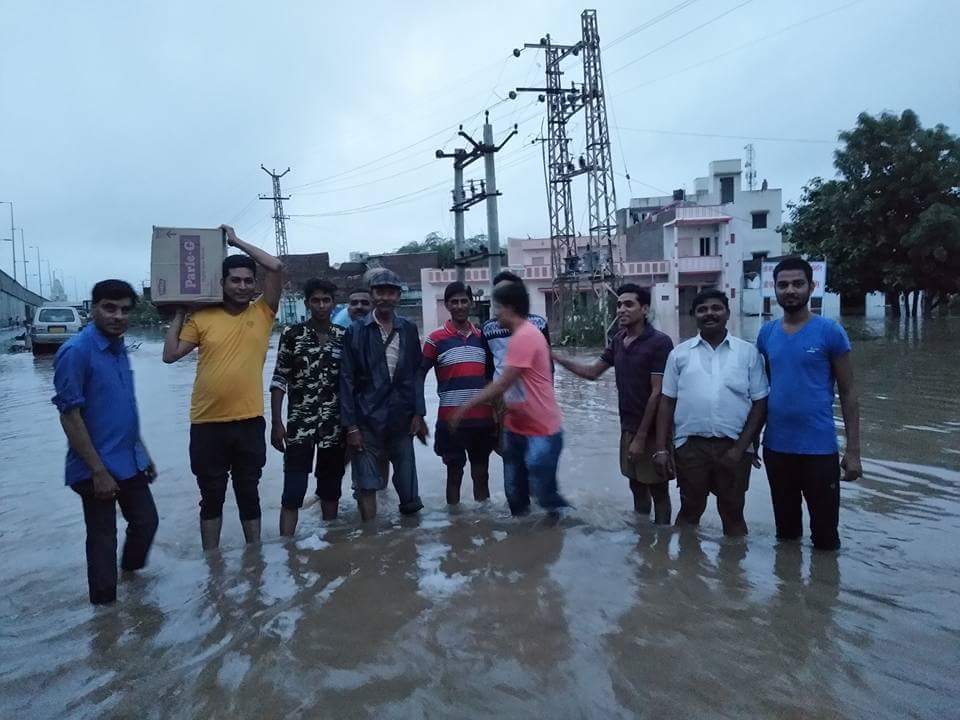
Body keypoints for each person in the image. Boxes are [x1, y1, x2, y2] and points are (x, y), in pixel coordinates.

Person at [162, 224, 282, 550]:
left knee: (248, 492)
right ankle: (211, 564)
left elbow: (275, 266)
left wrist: (236, 241)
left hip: (249, 421)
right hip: (207, 423)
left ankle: (254, 558)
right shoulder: (203, 318)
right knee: (211, 495)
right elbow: (170, 355)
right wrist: (180, 312)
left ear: (254, 285)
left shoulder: (264, 312)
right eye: (235, 280)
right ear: (223, 283)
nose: (242, 286)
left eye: (248, 281)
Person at [53, 280, 158, 605]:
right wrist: (98, 471)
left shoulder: (118, 347)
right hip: (94, 466)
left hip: (129, 460)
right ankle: (105, 616)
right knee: (103, 539)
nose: (118, 316)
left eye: (125, 310)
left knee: (146, 522)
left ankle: (132, 581)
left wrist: (143, 454)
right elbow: (70, 416)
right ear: (93, 309)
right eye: (109, 308)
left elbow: (122, 408)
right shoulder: (76, 352)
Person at [757, 257, 861, 551]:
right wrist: (750, 442)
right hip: (777, 448)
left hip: (819, 449)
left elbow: (849, 393)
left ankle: (825, 581)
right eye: (783, 285)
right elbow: (763, 391)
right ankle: (787, 580)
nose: (790, 290)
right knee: (786, 535)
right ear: (775, 289)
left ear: (811, 287)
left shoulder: (830, 331)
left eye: (797, 284)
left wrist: (854, 452)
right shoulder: (767, 334)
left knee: (826, 539)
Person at [552, 284, 675, 523]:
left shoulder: (659, 342)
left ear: (645, 309)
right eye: (618, 305)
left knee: (658, 490)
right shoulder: (619, 340)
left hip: (653, 431)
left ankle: (662, 541)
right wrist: (556, 358)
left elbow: (657, 393)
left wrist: (641, 438)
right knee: (636, 486)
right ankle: (643, 536)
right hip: (628, 427)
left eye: (628, 304)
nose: (621, 309)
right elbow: (592, 373)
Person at [654, 290, 768, 537]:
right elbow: (667, 402)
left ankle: (734, 562)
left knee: (733, 513)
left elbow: (760, 403)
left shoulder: (748, 353)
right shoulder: (679, 354)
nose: (709, 314)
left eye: (716, 308)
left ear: (727, 313)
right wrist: (662, 449)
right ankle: (686, 561)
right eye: (702, 309)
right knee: (689, 511)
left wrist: (740, 449)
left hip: (734, 447)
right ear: (694, 315)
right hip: (691, 448)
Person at [451, 280, 568, 516]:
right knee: (515, 492)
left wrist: (465, 407)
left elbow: (503, 383)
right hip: (516, 425)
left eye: (498, 308)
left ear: (510, 307)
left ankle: (561, 528)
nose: (495, 314)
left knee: (543, 493)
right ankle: (522, 535)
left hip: (541, 427)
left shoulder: (526, 336)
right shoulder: (516, 336)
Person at [340, 268, 427, 521]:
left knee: (408, 486)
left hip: (401, 417)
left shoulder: (408, 329)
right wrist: (350, 426)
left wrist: (419, 413)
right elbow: (346, 380)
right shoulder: (356, 331)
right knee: (366, 484)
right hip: (366, 418)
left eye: (390, 292)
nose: (385, 297)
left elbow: (416, 374)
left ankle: (409, 538)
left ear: (398, 296)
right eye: (380, 292)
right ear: (372, 294)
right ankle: (371, 536)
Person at [270, 278, 346, 536]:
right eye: (316, 300)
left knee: (330, 490)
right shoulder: (292, 335)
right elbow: (279, 379)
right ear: (307, 303)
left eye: (326, 300)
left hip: (333, 427)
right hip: (299, 426)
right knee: (293, 491)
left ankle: (330, 542)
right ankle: (286, 547)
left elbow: (350, 382)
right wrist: (276, 423)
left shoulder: (343, 337)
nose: (321, 305)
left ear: (333, 304)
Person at [421, 282, 496, 505]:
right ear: (447, 305)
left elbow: (494, 379)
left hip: (482, 421)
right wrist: (418, 413)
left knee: (481, 475)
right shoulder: (434, 339)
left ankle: (483, 520)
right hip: (450, 422)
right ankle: (455, 521)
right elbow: (418, 376)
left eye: (464, 301)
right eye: (454, 302)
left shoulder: (483, 338)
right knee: (454, 474)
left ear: (471, 303)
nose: (460, 306)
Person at [481, 270, 551, 380]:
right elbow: (488, 367)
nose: (503, 297)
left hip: (530, 389)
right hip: (501, 389)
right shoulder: (488, 329)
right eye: (499, 294)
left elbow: (548, 365)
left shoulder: (539, 324)